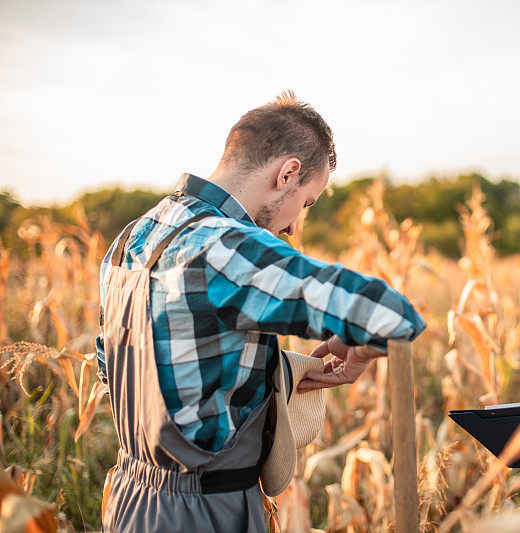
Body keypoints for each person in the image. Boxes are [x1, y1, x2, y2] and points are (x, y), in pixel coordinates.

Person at [94, 92, 426, 532]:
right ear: (287, 173)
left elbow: (121, 369)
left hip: (128, 501)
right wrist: (361, 352)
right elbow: (390, 315)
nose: (292, 227)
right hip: (205, 512)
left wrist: (269, 370)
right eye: (305, 203)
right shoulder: (225, 246)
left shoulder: (134, 235)